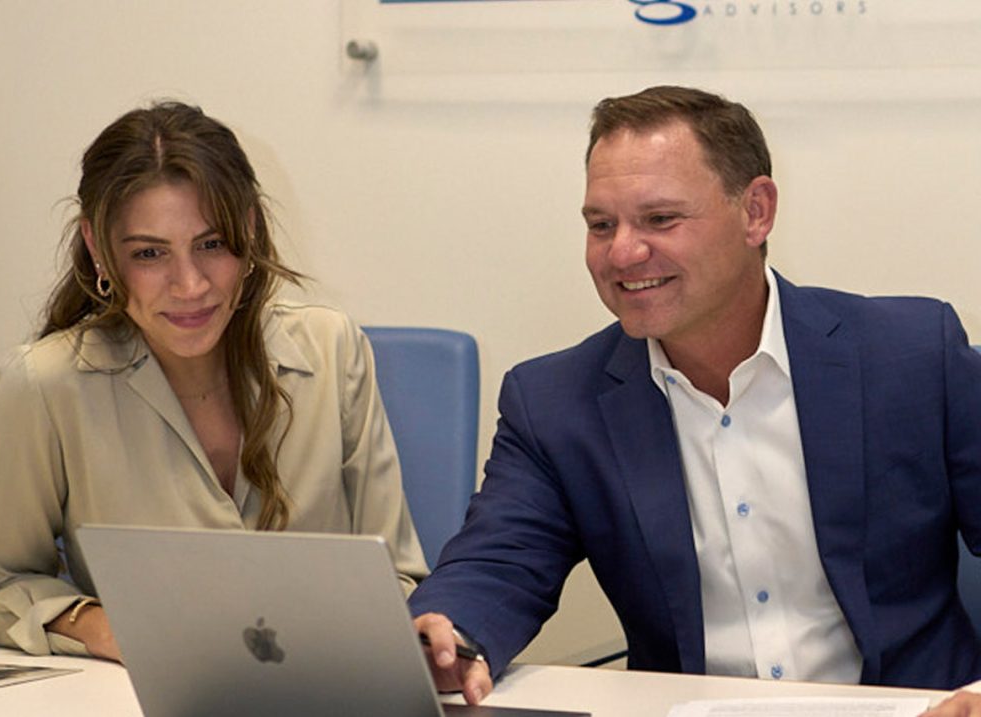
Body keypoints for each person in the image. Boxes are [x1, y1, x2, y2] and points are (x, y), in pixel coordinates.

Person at [410, 86, 981, 713]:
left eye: (660, 219)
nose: (622, 252)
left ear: (755, 212)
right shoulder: (553, 402)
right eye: (601, 225)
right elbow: (498, 562)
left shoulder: (912, 356)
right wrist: (451, 635)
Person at [0, 101, 427, 662]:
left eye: (211, 245)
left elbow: (398, 580)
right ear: (98, 249)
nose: (190, 285)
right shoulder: (41, 386)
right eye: (150, 254)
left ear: (248, 229)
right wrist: (106, 627)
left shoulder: (333, 350)